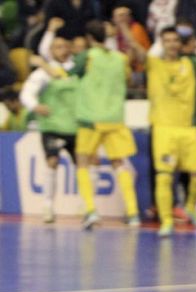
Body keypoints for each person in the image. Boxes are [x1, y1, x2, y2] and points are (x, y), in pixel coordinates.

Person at [122, 24, 196, 237]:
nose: (172, 44)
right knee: (164, 177)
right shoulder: (153, 63)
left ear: (180, 43)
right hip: (164, 129)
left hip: (187, 129)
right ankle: (166, 221)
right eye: (167, 41)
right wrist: (122, 26)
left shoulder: (190, 64)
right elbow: (135, 47)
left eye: (175, 40)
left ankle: (191, 206)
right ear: (162, 43)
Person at [69, 20, 141, 229]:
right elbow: (129, 79)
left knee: (82, 163)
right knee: (119, 164)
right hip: (115, 119)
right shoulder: (120, 58)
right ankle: (133, 213)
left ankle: (91, 211)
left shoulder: (87, 57)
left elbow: (68, 74)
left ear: (90, 38)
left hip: (91, 119)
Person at [21, 34, 77, 223]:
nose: (63, 50)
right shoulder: (42, 73)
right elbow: (26, 93)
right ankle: (48, 206)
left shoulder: (76, 69)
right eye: (58, 47)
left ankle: (89, 208)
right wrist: (35, 106)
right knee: (52, 161)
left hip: (74, 126)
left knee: (85, 165)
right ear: (51, 51)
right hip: (52, 126)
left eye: (65, 46)